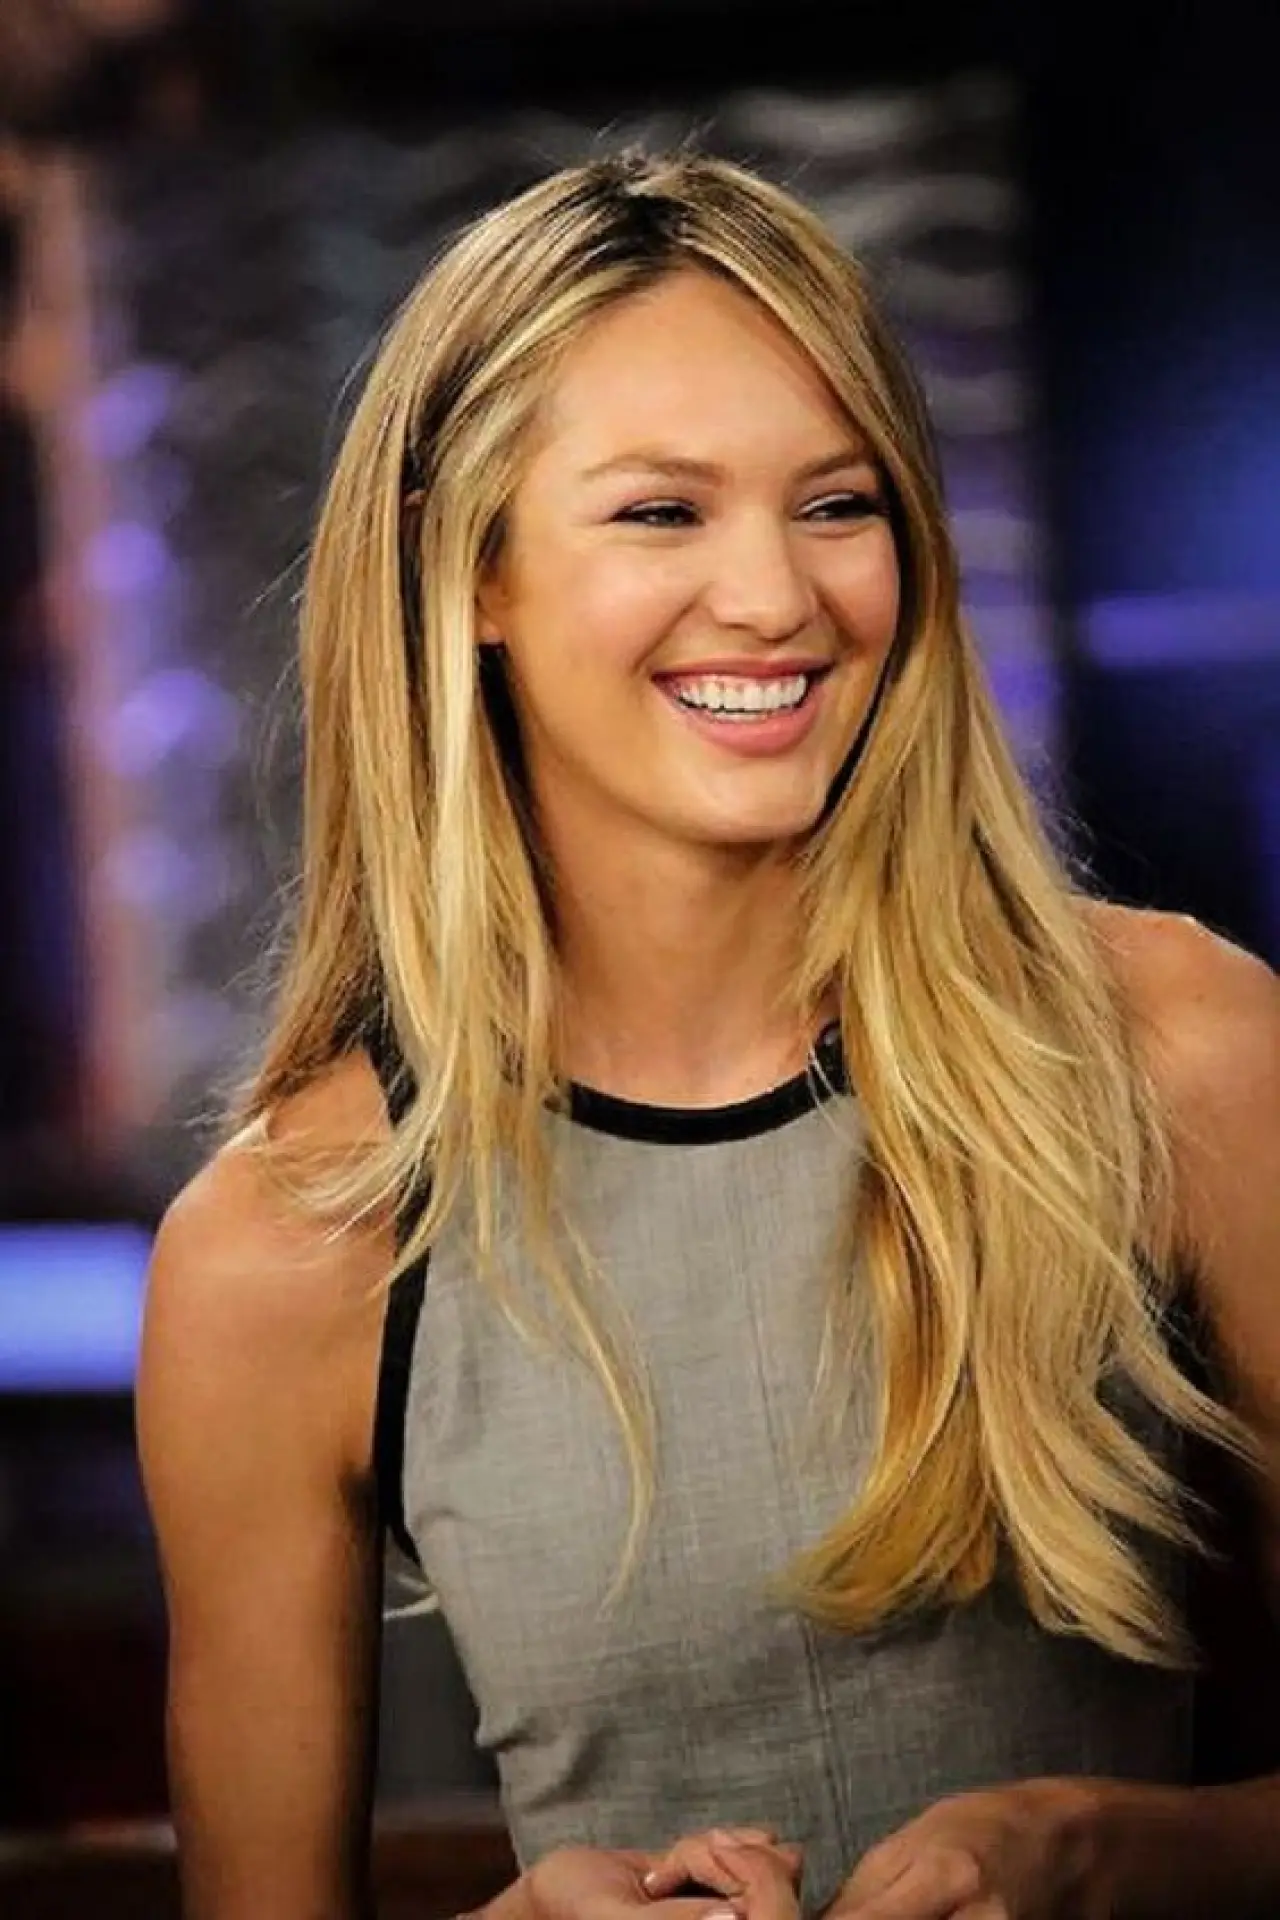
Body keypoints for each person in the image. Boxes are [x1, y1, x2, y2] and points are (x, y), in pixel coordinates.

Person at [135, 148, 1280, 1920]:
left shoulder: (1177, 1050)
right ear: (472, 569)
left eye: (837, 504)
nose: (774, 597)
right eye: (663, 512)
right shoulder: (283, 1251)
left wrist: (1102, 1849)